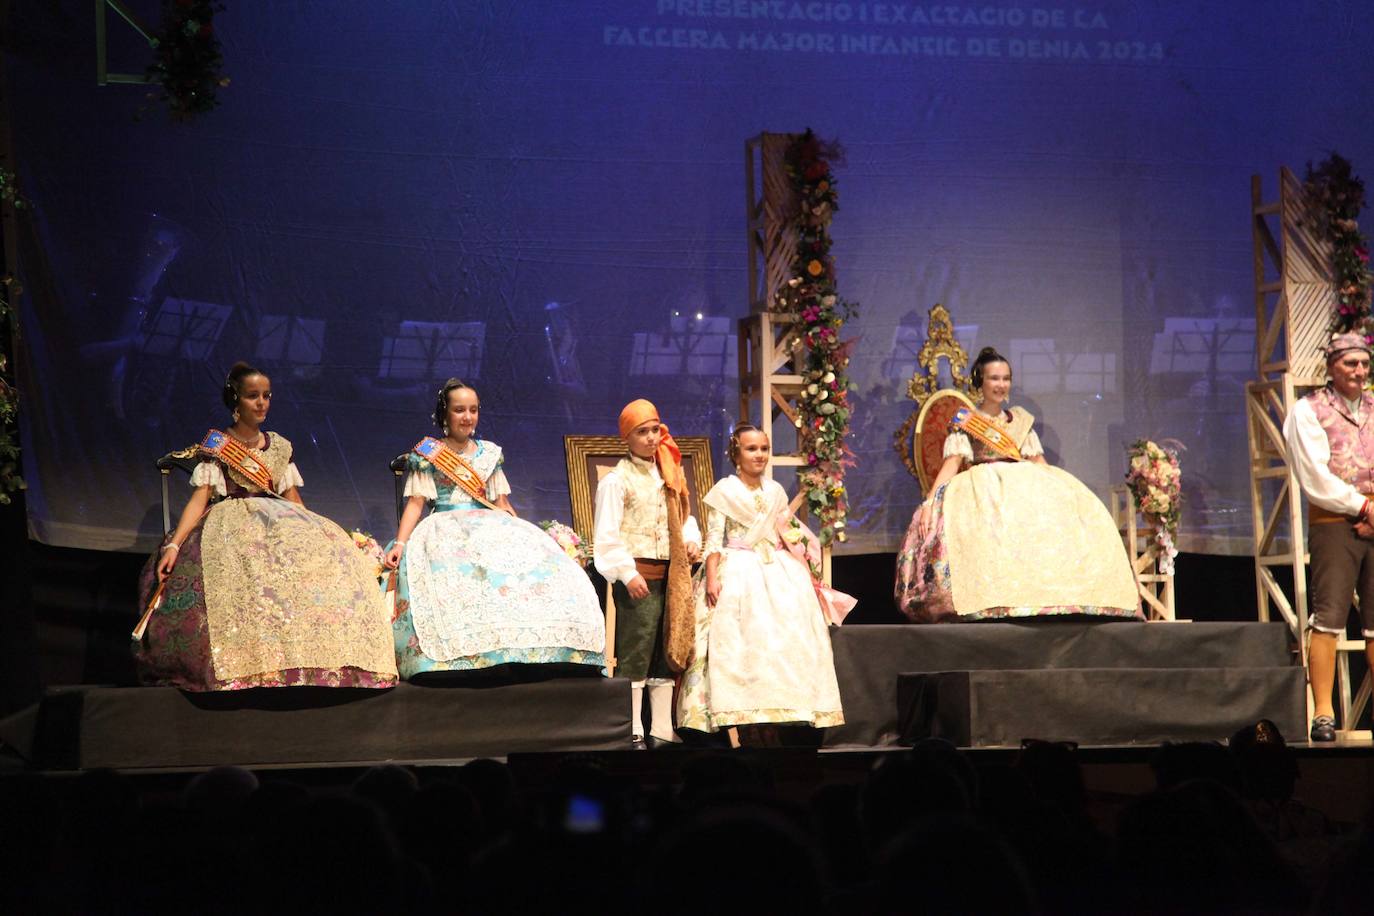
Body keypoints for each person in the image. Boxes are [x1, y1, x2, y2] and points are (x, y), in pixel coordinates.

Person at [135, 362, 397, 690]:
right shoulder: (218, 447)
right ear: (236, 402)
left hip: (278, 520)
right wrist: (174, 545)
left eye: (266, 396)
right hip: (229, 522)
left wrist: (318, 537)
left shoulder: (279, 446)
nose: (261, 403)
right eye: (252, 396)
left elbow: (293, 499)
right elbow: (199, 500)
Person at [894, 346, 1139, 623]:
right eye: (994, 378)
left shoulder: (1020, 421)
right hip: (982, 490)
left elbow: (1039, 464)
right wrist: (930, 502)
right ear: (980, 382)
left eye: (1006, 378)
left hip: (1022, 489)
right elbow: (951, 464)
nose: (1001, 385)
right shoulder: (967, 422)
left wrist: (1065, 496)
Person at [383, 379, 605, 679]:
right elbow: (416, 503)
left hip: (487, 523)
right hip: (444, 526)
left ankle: (525, 649)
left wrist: (521, 533)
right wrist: (400, 543)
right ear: (445, 414)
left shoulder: (489, 453)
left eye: (473, 410)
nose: (467, 417)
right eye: (459, 410)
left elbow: (501, 502)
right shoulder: (429, 453)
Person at [677, 425, 850, 741]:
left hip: (778, 572)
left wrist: (803, 566)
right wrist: (713, 577)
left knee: (783, 644)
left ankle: (783, 713)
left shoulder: (775, 492)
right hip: (738, 570)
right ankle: (742, 716)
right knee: (738, 644)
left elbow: (786, 533)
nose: (759, 455)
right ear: (737, 454)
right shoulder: (725, 491)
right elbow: (714, 539)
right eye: (751, 449)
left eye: (764, 448)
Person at [1281, 332, 1374, 742]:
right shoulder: (1309, 410)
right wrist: (1363, 507)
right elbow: (1314, 476)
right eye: (1350, 363)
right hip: (1336, 520)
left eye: (1364, 364)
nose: (1359, 371)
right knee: (1330, 615)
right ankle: (1323, 712)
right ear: (1332, 367)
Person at [592, 399, 702, 748]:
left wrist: (691, 540)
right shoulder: (617, 480)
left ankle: (662, 727)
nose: (652, 437)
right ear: (627, 437)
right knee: (635, 651)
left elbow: (683, 517)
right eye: (643, 432)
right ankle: (633, 727)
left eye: (655, 429)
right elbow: (607, 535)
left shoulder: (667, 473)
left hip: (671, 577)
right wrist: (626, 572)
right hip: (639, 574)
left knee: (663, 652)